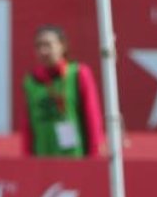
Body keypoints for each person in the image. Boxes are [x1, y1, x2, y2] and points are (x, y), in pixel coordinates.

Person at [21, 25, 105, 157]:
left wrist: (94, 153)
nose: (43, 51)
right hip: (42, 156)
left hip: (74, 156)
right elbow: (28, 124)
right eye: (38, 46)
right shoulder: (31, 81)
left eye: (48, 45)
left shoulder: (78, 73)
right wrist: (27, 157)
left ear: (62, 46)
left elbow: (92, 115)